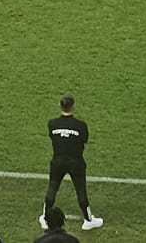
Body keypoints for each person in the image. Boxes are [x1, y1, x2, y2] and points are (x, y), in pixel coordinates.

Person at [42, 95, 102, 231]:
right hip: (76, 162)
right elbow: (84, 140)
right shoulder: (80, 125)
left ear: (60, 106)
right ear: (73, 107)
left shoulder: (52, 123)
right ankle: (88, 220)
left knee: (52, 188)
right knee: (81, 190)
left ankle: (45, 218)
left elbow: (53, 137)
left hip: (57, 161)